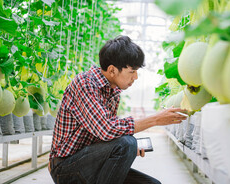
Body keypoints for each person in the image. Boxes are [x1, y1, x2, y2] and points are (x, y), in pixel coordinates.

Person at [48, 35, 187, 184]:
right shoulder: (85, 84)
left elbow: (106, 136)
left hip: (91, 163)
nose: (136, 77)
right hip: (66, 167)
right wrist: (155, 119)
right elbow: (106, 129)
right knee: (127, 143)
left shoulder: (113, 92)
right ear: (112, 70)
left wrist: (130, 149)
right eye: (132, 71)